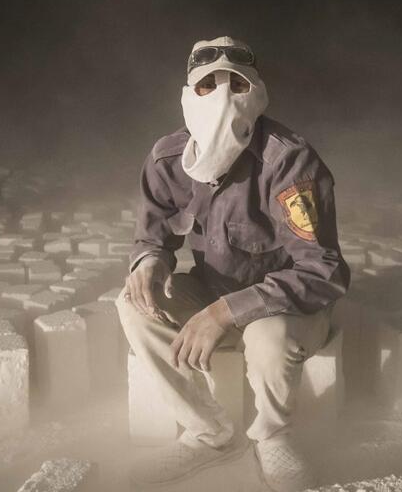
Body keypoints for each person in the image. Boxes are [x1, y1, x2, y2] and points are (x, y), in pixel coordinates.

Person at [116, 35, 350, 491]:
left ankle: (272, 436)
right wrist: (149, 263)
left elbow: (323, 271)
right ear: (188, 95)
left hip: (289, 307)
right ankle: (209, 433)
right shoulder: (167, 159)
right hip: (212, 288)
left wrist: (225, 313)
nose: (222, 98)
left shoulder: (288, 161)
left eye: (236, 85)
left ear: (256, 94)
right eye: (207, 86)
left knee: (269, 332)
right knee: (131, 302)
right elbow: (152, 235)